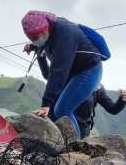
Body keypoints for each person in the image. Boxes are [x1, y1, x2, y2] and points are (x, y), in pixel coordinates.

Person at [21, 11, 106, 140]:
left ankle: (76, 146)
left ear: (47, 27)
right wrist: (34, 46)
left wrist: (45, 104)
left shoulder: (65, 35)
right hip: (73, 72)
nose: (41, 38)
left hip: (89, 70)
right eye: (34, 38)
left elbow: (58, 72)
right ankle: (55, 143)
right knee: (52, 114)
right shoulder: (49, 33)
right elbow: (49, 75)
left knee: (62, 109)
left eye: (42, 34)